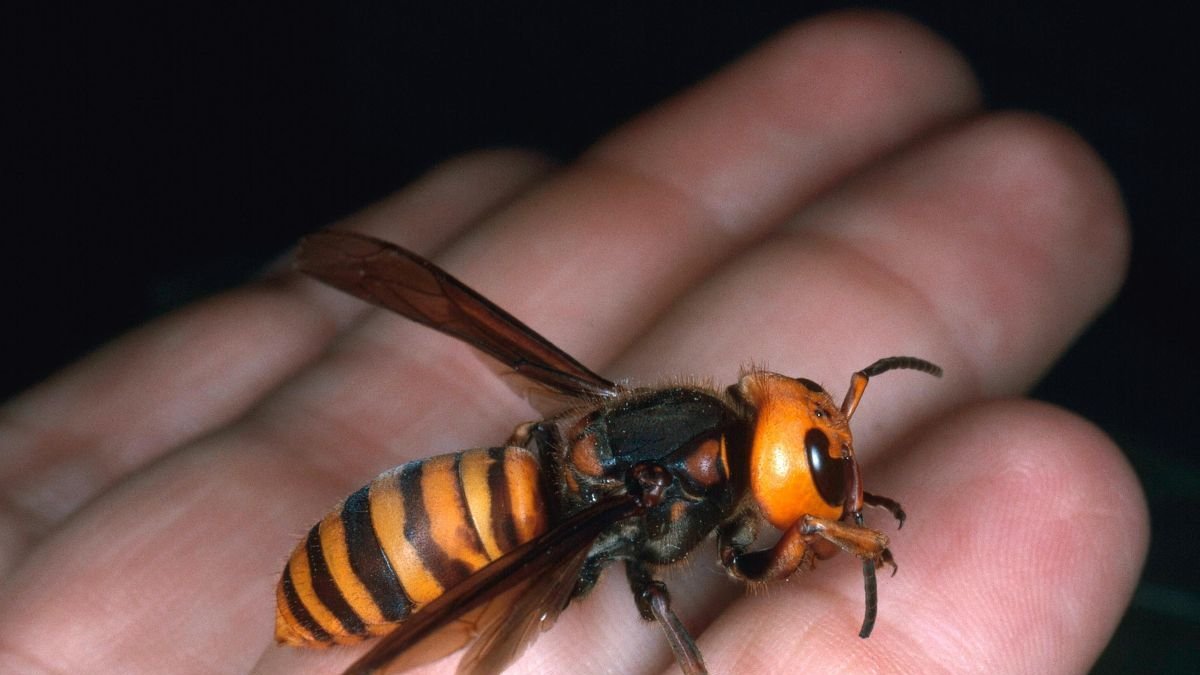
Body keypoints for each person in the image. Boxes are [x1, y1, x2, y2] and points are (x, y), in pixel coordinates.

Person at [0, 11, 1144, 674]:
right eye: (820, 458)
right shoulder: (672, 493)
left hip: (495, 488)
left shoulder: (669, 443)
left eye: (820, 449)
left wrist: (825, 526)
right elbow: (741, 558)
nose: (824, 460)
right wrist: (820, 538)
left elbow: (747, 545)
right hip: (421, 552)